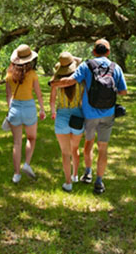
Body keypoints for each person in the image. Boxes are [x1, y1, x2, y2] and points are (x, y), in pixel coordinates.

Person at [50, 38, 127, 194]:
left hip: (90, 113)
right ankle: (99, 182)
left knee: (88, 145)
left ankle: (87, 172)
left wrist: (54, 83)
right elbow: (123, 91)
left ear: (93, 51)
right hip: (108, 113)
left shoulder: (86, 65)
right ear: (108, 52)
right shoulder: (116, 67)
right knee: (103, 148)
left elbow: (71, 81)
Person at [5, 44, 46, 183]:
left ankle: (16, 175)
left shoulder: (9, 74)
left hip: (15, 107)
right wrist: (42, 109)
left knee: (17, 143)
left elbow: (8, 95)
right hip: (29, 108)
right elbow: (39, 94)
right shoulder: (32, 74)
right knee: (31, 138)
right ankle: (27, 164)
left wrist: (11, 109)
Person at [49, 52, 86, 192]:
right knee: (74, 149)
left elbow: (52, 101)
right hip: (78, 115)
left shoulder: (55, 83)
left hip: (62, 115)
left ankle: (68, 182)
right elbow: (83, 101)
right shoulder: (80, 81)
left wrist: (53, 112)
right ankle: (75, 175)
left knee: (65, 153)